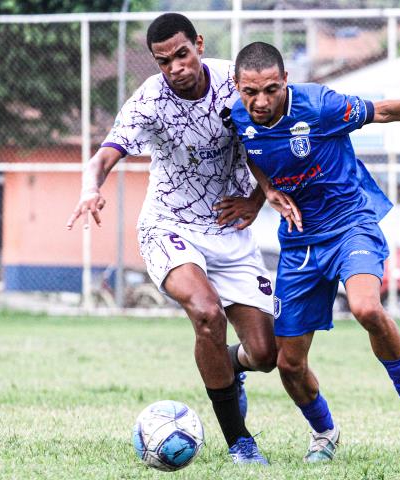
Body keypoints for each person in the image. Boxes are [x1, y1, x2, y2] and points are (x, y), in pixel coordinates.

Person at [66, 16, 298, 465]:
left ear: (199, 45)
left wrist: (255, 201)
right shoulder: (149, 101)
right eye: (163, 61)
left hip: (230, 232)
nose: (174, 67)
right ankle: (240, 443)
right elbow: (103, 156)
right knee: (207, 313)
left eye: (181, 54)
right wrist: (90, 188)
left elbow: (274, 147)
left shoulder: (238, 83)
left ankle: (229, 367)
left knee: (268, 354)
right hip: (169, 226)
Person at [230, 41, 400, 462]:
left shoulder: (321, 105)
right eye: (250, 92)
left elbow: (385, 110)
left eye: (270, 89)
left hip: (350, 225)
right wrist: (266, 190)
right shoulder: (238, 115)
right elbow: (252, 150)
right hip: (299, 242)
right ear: (237, 87)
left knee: (366, 309)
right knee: (288, 364)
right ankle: (324, 433)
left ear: (286, 81)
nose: (260, 101)